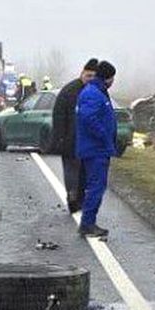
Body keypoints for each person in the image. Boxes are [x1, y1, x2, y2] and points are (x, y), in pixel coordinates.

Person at [76, 60, 118, 238]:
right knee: (96, 187)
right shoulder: (94, 93)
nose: (113, 81)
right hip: (95, 149)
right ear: (107, 77)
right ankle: (87, 224)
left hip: (97, 148)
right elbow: (89, 118)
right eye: (112, 78)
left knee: (95, 186)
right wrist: (104, 136)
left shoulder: (97, 92)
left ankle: (88, 222)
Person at [52, 58, 99, 213]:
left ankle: (80, 199)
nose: (91, 79)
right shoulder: (69, 91)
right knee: (72, 171)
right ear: (82, 74)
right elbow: (58, 116)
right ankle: (73, 197)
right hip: (70, 140)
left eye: (94, 76)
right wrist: (59, 138)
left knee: (85, 173)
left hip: (88, 141)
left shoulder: (96, 91)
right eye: (88, 76)